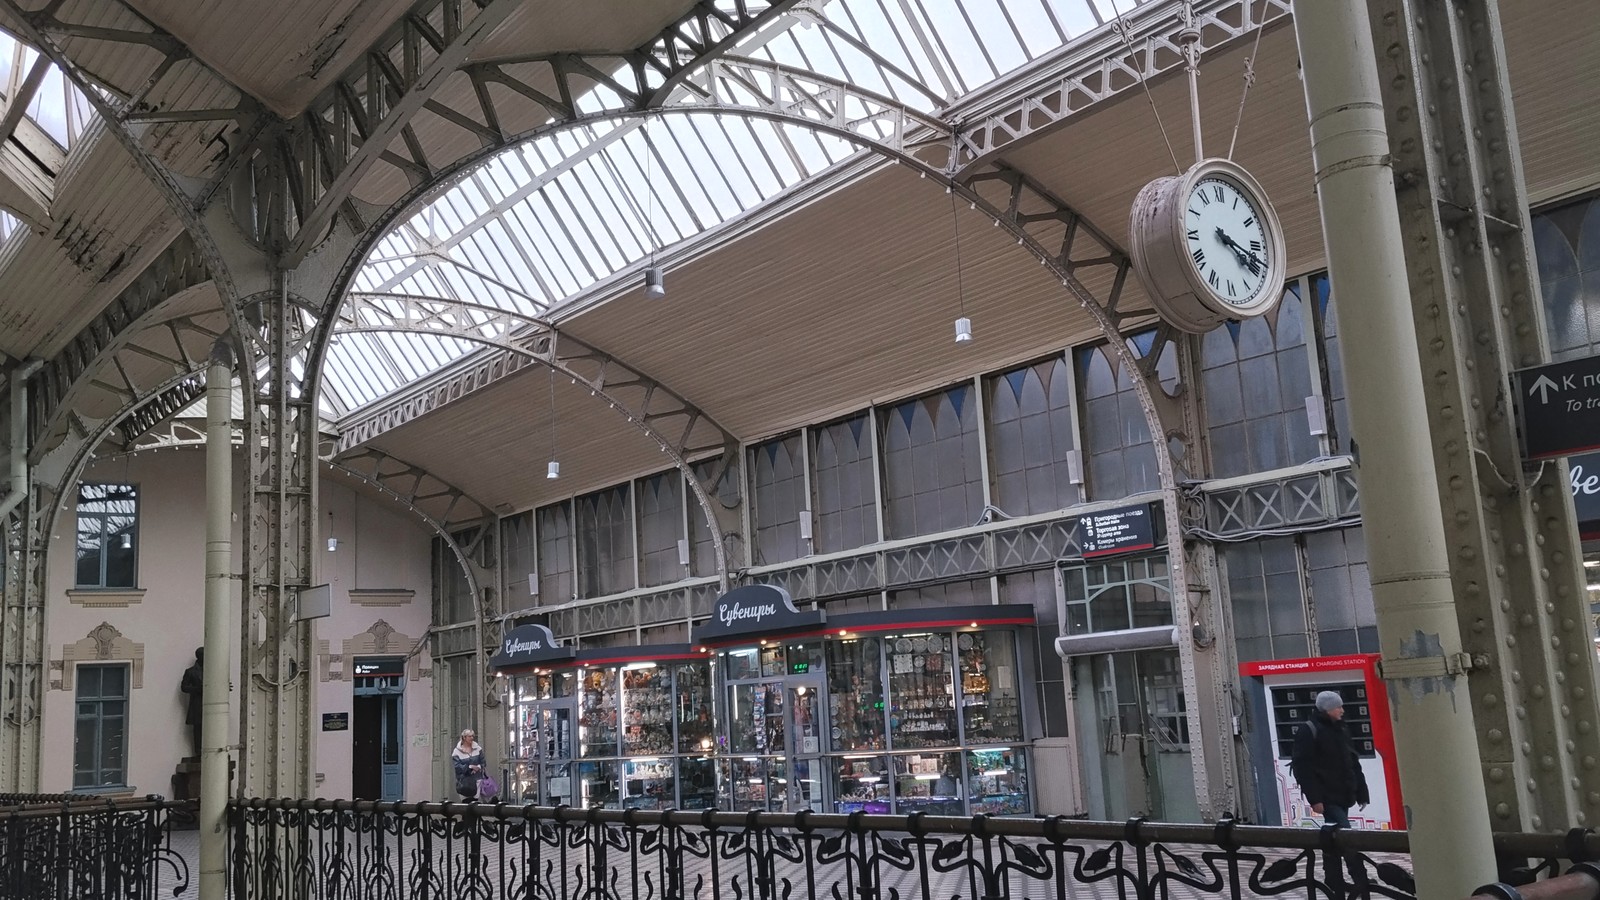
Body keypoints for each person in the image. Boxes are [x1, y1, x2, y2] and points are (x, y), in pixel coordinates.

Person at [1290, 691, 1369, 828]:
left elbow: (1353, 763)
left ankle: (1330, 843)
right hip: (1326, 796)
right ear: (1327, 709)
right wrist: (1315, 799)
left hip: (1344, 794)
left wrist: (1362, 794)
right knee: (1343, 830)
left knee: (1336, 832)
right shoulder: (1309, 730)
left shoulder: (1341, 729)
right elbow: (1303, 768)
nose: (1342, 711)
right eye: (1338, 707)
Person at [451, 729, 486, 800]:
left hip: (477, 780)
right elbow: (457, 767)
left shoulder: (478, 749)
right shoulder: (457, 751)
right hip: (464, 782)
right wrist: (470, 767)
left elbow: (483, 762)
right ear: (464, 737)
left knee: (475, 802)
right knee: (466, 802)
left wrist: (478, 767)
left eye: (473, 736)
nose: (472, 738)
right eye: (469, 736)